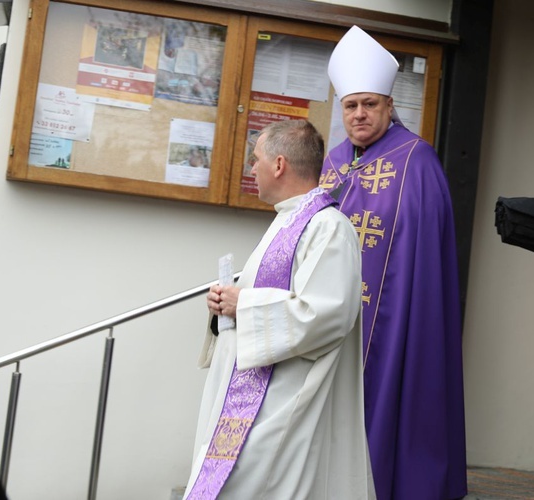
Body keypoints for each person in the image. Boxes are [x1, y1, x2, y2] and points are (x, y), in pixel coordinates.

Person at [183, 119, 375, 499]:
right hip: (254, 390)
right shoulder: (287, 221)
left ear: (280, 164)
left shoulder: (328, 227)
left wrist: (245, 304)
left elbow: (327, 313)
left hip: (285, 398)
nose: (251, 169)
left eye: (255, 159)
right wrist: (227, 302)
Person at [319, 25, 467, 500]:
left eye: (369, 104)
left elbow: (424, 255)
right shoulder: (336, 160)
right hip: (335, 312)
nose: (359, 114)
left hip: (396, 314)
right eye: (350, 105)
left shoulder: (417, 160)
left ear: (389, 105)